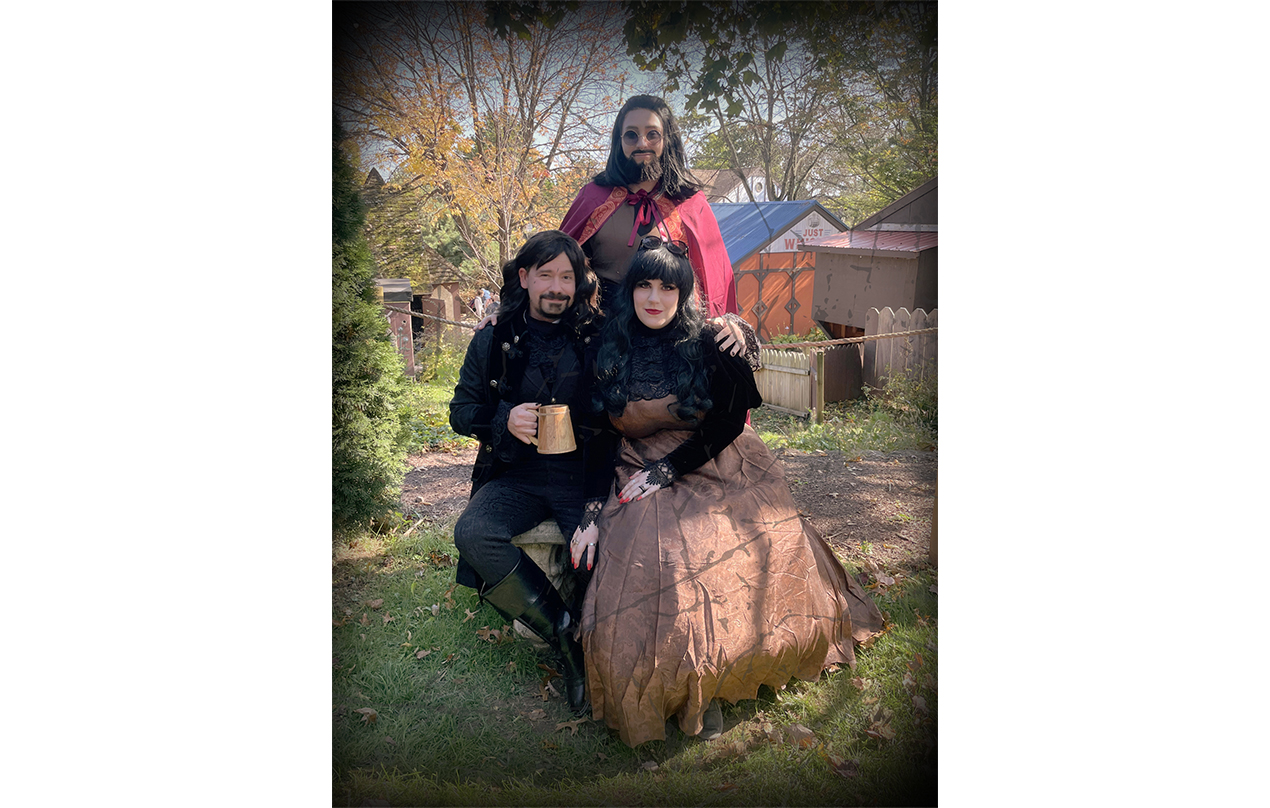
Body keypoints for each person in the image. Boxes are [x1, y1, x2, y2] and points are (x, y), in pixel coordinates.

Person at [570, 237, 885, 745]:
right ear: (629, 290)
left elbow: (729, 422)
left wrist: (669, 470)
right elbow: (595, 434)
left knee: (718, 547)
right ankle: (680, 681)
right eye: (645, 285)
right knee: (655, 551)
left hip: (717, 460)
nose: (655, 298)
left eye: (668, 287)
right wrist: (589, 514)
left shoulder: (713, 342)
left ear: (684, 293)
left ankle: (716, 678)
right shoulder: (608, 346)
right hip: (637, 465)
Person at [449, 230, 611, 717]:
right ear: (524, 277)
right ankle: (562, 633)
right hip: (515, 475)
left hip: (581, 476)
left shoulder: (599, 336)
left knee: (603, 553)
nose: (557, 287)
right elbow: (461, 411)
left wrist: (728, 324)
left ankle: (594, 641)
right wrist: (503, 419)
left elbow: (662, 318)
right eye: (546, 275)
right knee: (473, 533)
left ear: (578, 283)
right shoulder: (492, 338)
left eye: (567, 277)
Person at [560, 94, 737, 318]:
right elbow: (558, 263)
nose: (642, 143)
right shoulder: (593, 197)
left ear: (667, 139)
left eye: (652, 134)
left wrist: (720, 324)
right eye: (631, 135)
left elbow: (715, 279)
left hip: (671, 330)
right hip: (602, 329)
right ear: (619, 141)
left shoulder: (691, 204)